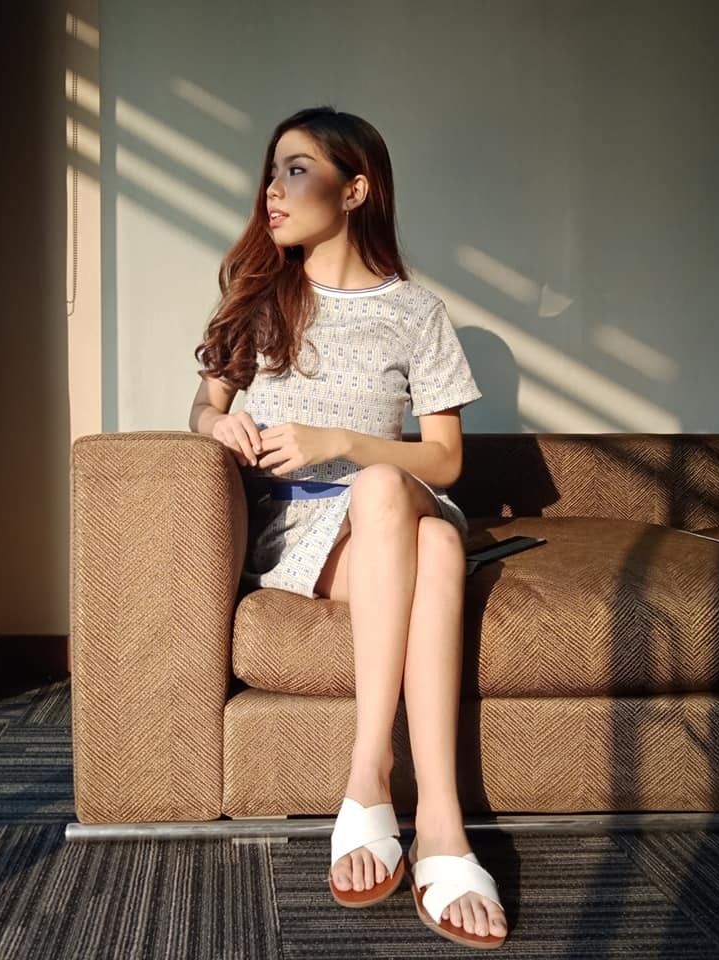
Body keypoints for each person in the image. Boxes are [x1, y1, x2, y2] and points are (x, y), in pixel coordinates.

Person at [189, 106, 508, 949]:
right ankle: (431, 819)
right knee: (438, 544)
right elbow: (201, 408)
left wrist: (343, 442)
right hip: (300, 528)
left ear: (355, 190)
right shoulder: (259, 298)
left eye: (296, 170)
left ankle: (380, 781)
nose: (273, 189)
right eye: (272, 171)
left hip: (388, 502)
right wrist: (218, 424)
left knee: (391, 490)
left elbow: (444, 461)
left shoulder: (416, 313)